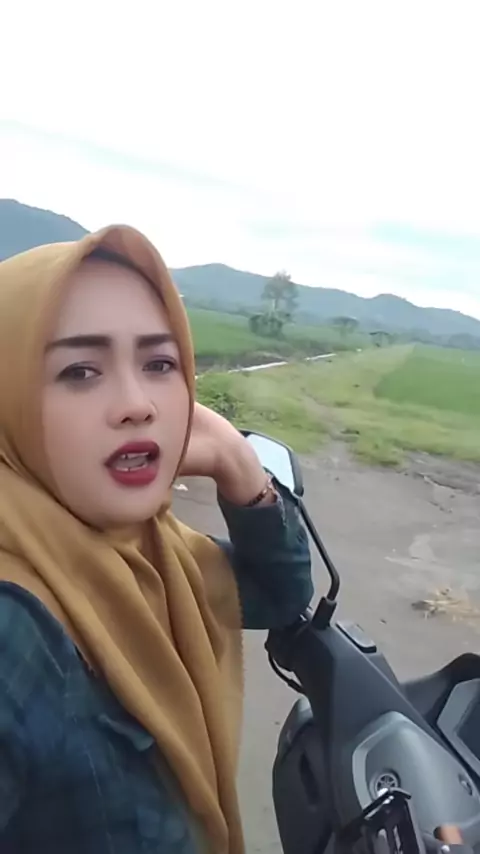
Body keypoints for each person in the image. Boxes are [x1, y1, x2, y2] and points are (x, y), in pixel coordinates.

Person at [0, 225, 312, 853]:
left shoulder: (158, 555)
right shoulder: (14, 628)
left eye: (160, 365)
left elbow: (281, 596)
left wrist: (236, 462)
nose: (137, 404)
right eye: (80, 370)